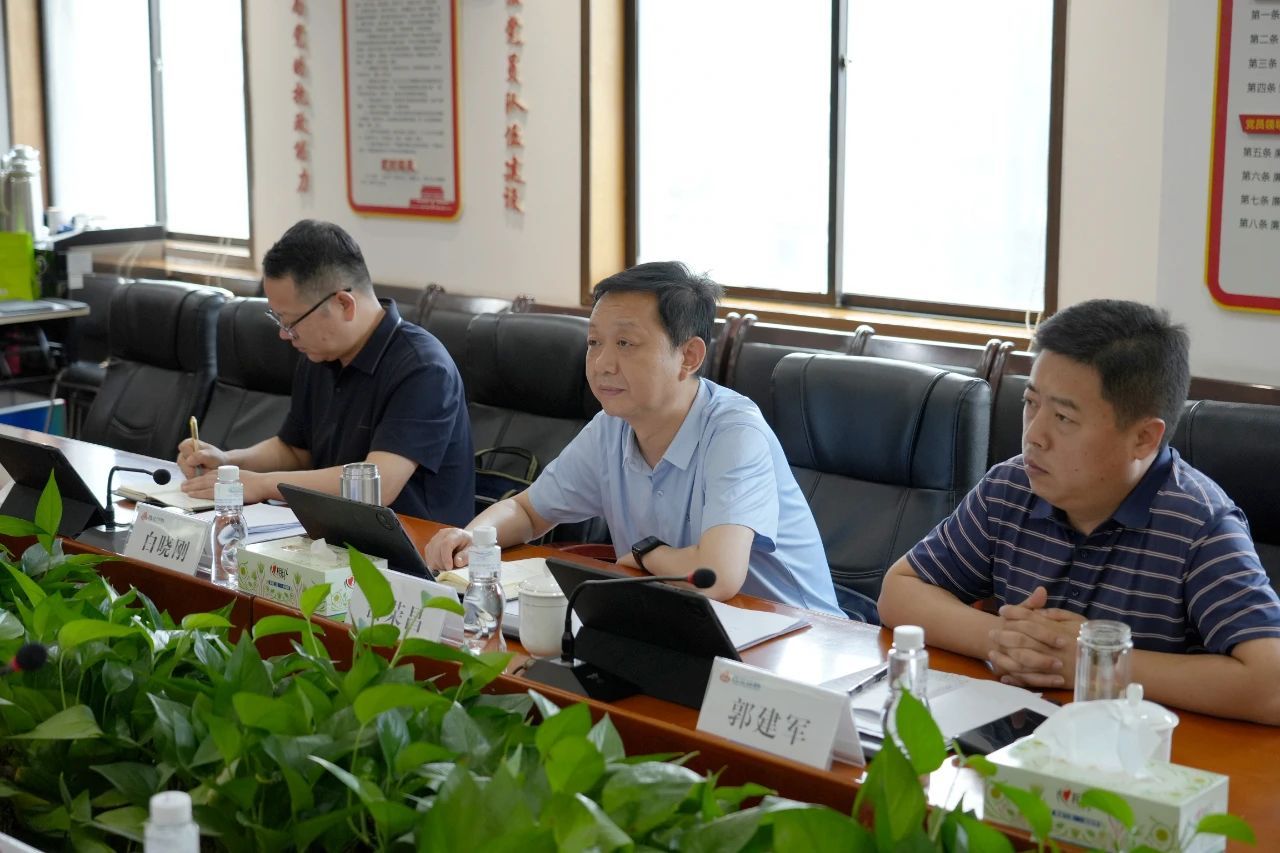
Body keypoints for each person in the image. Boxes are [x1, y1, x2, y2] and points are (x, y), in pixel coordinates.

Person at [878, 299, 1280, 725]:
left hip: (1140, 754)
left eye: (1064, 418)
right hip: (1021, 742)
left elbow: (1271, 684)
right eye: (1031, 403)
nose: (1034, 436)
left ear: (1144, 438)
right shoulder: (1012, 487)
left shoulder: (1199, 524)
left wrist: (1095, 661)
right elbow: (899, 591)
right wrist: (1003, 638)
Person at [424, 261, 846, 617]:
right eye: (594, 342)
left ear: (689, 356)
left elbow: (716, 576)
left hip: (801, 640)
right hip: (683, 622)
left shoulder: (735, 433)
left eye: (625, 343)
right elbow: (527, 511)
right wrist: (474, 539)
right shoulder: (612, 426)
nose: (601, 364)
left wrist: (647, 554)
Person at [177, 219, 474, 525]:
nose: (284, 334)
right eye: (278, 319)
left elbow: (378, 485)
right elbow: (295, 451)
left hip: (416, 545)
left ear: (344, 304)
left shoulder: (423, 368)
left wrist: (262, 484)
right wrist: (228, 463)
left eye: (290, 321)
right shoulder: (319, 354)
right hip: (335, 532)